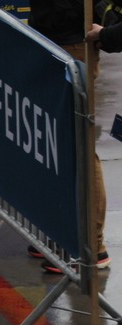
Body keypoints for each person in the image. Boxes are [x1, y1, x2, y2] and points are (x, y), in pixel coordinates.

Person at [29, 0, 111, 272]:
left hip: (73, 43)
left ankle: (88, 245)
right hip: (50, 37)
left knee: (78, 146)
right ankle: (63, 234)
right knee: (53, 141)